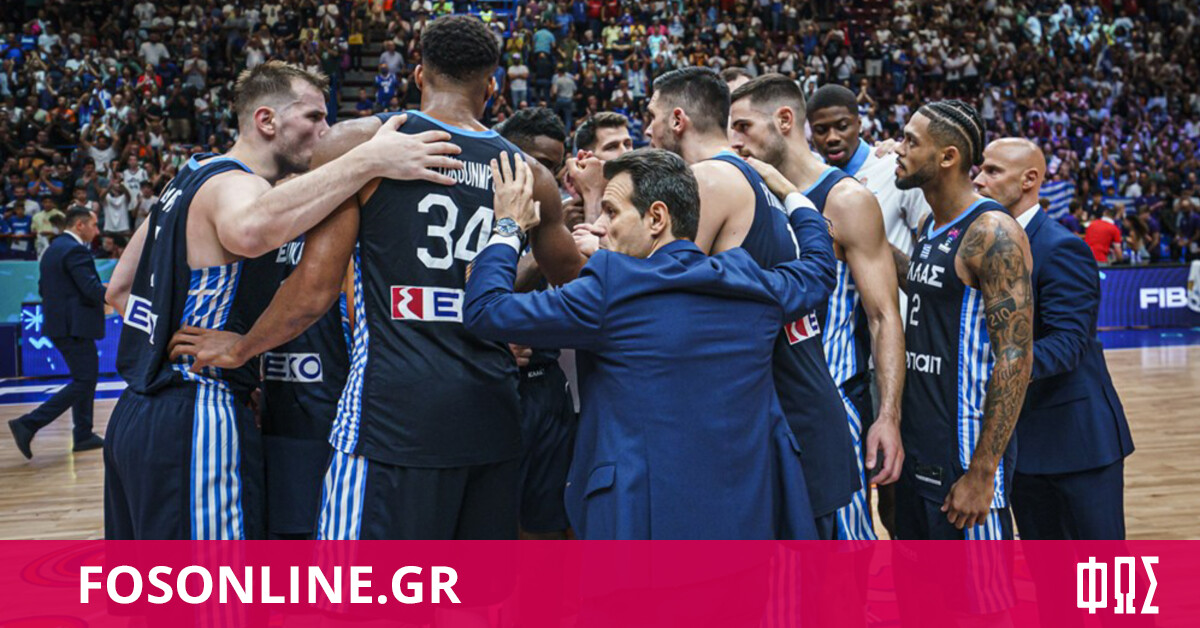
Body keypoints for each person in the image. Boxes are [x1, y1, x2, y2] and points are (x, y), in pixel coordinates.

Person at [169, 17, 586, 540]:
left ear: (418, 74)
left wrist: (241, 347)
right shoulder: (531, 175)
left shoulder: (361, 142)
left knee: (363, 585)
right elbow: (576, 285)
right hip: (492, 415)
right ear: (493, 85)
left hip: (391, 417)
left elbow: (315, 290)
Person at [102, 60, 461, 540]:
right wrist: (368, 160)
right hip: (197, 411)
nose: (326, 130)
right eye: (313, 117)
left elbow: (118, 289)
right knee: (214, 585)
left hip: (135, 417)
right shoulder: (236, 182)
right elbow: (250, 230)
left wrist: (173, 349)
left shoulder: (189, 177)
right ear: (266, 120)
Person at [465, 148, 834, 539]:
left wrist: (509, 226)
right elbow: (819, 268)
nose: (601, 227)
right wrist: (791, 193)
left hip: (640, 527)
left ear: (657, 218)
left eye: (611, 212)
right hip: (746, 523)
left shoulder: (611, 289)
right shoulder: (752, 283)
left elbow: (485, 309)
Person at [645, 66, 858, 539]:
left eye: (651, 116)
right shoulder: (753, 177)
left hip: (784, 418)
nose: (647, 130)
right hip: (799, 403)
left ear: (677, 120)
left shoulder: (707, 178)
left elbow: (653, 298)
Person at [728, 74, 905, 542]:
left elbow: (884, 316)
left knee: (843, 548)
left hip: (834, 400)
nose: (734, 140)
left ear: (785, 120)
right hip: (763, 402)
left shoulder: (845, 199)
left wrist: (887, 416)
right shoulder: (745, 193)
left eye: (743, 127)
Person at [972, 138, 1134, 539]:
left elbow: (1069, 343)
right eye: (980, 169)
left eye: (993, 171)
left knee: (1102, 572)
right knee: (1048, 573)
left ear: (1029, 180)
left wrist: (991, 368)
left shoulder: (1061, 247)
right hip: (1021, 443)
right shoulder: (983, 244)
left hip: (1076, 442)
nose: (978, 180)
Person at [888, 100, 1033, 540]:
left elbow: (1015, 356)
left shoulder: (992, 232)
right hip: (920, 444)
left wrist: (983, 472)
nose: (898, 149)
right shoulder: (931, 225)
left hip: (964, 456)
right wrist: (865, 237)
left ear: (948, 157)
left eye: (911, 141)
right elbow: (926, 285)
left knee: (978, 588)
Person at [494, 107, 577, 539]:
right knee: (493, 522)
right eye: (539, 163)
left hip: (549, 382)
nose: (546, 176)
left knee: (546, 523)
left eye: (554, 167)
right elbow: (489, 289)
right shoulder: (478, 208)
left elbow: (581, 286)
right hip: (497, 384)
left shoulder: (559, 215)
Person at [9, 209, 107, 459]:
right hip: (74, 327)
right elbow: (90, 289)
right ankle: (29, 423)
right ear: (80, 225)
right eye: (94, 225)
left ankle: (83, 434)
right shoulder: (75, 250)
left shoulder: (53, 249)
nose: (97, 231)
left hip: (60, 325)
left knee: (84, 378)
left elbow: (44, 288)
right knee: (85, 380)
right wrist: (116, 292)